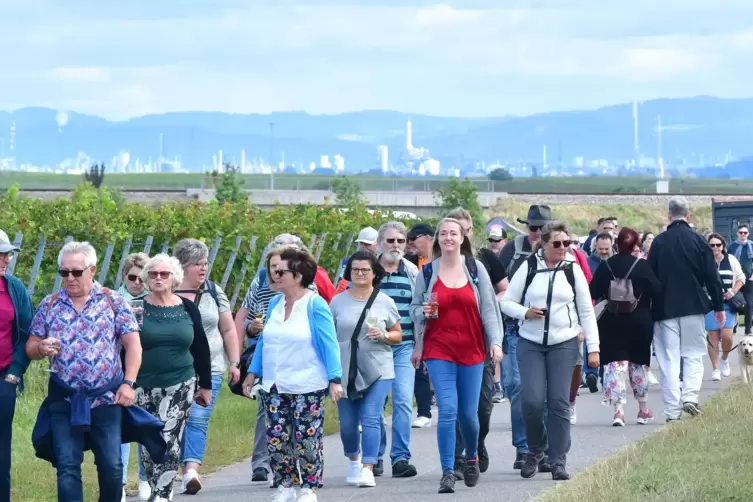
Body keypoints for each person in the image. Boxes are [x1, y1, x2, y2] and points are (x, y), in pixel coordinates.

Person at [26, 241, 143, 502]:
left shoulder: (114, 302)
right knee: (67, 466)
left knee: (112, 466)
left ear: (92, 270)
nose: (69, 278)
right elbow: (31, 346)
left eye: (76, 272)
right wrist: (41, 347)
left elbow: (133, 345)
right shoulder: (50, 304)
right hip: (64, 399)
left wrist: (128, 384)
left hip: (106, 398)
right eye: (64, 272)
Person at [410, 217, 503, 494]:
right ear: (438, 239)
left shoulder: (475, 269)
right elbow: (414, 310)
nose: (449, 238)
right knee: (448, 410)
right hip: (439, 349)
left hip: (472, 349)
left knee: (469, 415)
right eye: (444, 234)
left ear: (463, 239)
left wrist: (495, 342)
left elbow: (488, 308)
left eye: (454, 233)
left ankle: (471, 456)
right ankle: (448, 471)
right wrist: (421, 323)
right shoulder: (427, 273)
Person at [500, 220, 599, 481]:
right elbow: (507, 302)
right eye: (557, 243)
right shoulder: (529, 267)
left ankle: (558, 460)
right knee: (530, 400)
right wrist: (526, 313)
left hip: (564, 343)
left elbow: (586, 310)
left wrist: (593, 348)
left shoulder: (572, 269)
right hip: (530, 342)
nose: (563, 248)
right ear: (543, 245)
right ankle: (536, 449)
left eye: (567, 243)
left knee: (558, 402)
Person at [243, 248, 343, 502]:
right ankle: (285, 485)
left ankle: (308, 487)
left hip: (307, 383)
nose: (275, 274)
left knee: (306, 439)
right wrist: (253, 373)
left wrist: (335, 379)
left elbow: (329, 342)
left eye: (281, 271)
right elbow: (266, 340)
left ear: (298, 275)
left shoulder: (314, 304)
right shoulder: (275, 303)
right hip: (275, 383)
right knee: (277, 439)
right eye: (275, 271)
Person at [233, 234, 319, 485]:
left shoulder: (308, 290)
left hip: (297, 361)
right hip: (267, 354)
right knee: (268, 413)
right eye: (274, 266)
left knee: (295, 416)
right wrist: (251, 330)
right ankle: (262, 463)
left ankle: (296, 470)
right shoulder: (260, 282)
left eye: (285, 265)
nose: (278, 272)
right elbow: (244, 317)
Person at [134, 254, 213, 502]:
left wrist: (206, 385)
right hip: (142, 385)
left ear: (174, 278)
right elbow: (124, 346)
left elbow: (200, 346)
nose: (158, 278)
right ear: (146, 278)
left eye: (164, 274)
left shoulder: (187, 307)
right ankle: (156, 489)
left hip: (181, 383)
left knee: (169, 439)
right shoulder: (136, 307)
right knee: (148, 443)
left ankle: (162, 495)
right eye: (153, 274)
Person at [171, 239, 240, 494]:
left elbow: (228, 328)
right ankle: (170, 467)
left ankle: (191, 471)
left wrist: (234, 362)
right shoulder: (167, 291)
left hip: (210, 366)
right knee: (176, 419)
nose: (203, 269)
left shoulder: (214, 291)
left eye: (205, 263)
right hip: (176, 368)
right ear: (182, 266)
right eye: (197, 264)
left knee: (198, 418)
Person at [647, 196, 725, 421]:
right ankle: (690, 396)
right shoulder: (699, 241)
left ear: (669, 215)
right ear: (688, 215)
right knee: (693, 354)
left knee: (668, 359)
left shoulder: (659, 242)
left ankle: (672, 411)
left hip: (664, 308)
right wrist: (718, 306)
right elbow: (712, 276)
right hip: (693, 305)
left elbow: (650, 277)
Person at [330, 250, 402, 487]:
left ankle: (368, 466)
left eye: (365, 270)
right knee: (348, 424)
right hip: (345, 367)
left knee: (371, 416)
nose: (360, 274)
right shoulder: (337, 301)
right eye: (355, 270)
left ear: (374, 273)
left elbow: (398, 335)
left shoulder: (385, 301)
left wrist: (383, 335)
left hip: (378, 367)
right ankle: (354, 459)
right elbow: (328, 336)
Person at [444, 208, 505, 479]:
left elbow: (501, 290)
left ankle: (476, 443)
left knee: (481, 407)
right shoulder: (436, 266)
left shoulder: (481, 261)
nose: (458, 237)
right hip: (446, 348)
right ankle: (457, 460)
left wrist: (495, 340)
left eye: (463, 231)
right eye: (451, 231)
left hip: (479, 347)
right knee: (452, 405)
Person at [497, 204, 551, 471]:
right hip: (514, 328)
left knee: (545, 392)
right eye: (533, 228)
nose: (537, 233)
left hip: (550, 330)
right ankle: (523, 447)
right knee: (517, 387)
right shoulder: (511, 250)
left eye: (542, 228)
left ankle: (543, 447)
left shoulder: (559, 252)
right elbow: (498, 290)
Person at [589, 228, 661, 426]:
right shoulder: (643, 266)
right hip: (639, 322)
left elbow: (593, 290)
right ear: (635, 245)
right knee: (639, 364)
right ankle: (643, 410)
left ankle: (618, 412)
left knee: (614, 366)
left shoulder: (606, 266)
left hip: (612, 322)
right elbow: (657, 290)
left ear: (616, 244)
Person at [373, 222, 419, 478]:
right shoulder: (366, 271)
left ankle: (400, 457)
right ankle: (376, 454)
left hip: (404, 345)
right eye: (390, 241)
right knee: (376, 404)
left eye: (400, 241)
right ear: (381, 243)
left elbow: (419, 309)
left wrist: (420, 345)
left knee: (402, 401)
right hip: (375, 347)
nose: (396, 246)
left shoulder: (412, 272)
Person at [0, 230, 32, 502]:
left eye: (7, 254)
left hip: (3, 378)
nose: (5, 259)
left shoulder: (14, 288)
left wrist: (14, 373)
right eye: (0, 254)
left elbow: (27, 333)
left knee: (0, 449)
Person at [117, 252, 150, 500]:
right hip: (120, 370)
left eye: (142, 278)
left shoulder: (154, 300)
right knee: (122, 428)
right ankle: (118, 482)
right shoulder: (114, 300)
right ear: (124, 276)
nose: (137, 283)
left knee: (146, 425)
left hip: (148, 370)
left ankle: (145, 479)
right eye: (132, 277)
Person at [406, 222, 436, 429]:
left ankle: (430, 410)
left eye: (412, 241)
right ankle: (424, 410)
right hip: (420, 317)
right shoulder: (412, 261)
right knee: (420, 366)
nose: (410, 246)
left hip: (441, 320)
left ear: (427, 237)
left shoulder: (442, 259)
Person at [705, 233, 745, 381]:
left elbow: (741, 278)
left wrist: (733, 290)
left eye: (718, 245)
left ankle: (724, 358)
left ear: (723, 246)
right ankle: (715, 368)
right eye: (712, 245)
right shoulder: (704, 260)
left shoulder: (731, 260)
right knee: (713, 336)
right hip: (710, 305)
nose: (715, 248)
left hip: (728, 304)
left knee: (727, 336)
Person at [334, 227, 379, 293]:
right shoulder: (348, 262)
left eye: (368, 244)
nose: (364, 246)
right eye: (361, 243)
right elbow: (341, 286)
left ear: (377, 245)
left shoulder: (380, 264)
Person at [727, 223, 753, 335]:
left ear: (748, 233)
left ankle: (748, 329)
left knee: (749, 304)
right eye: (741, 232)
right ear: (737, 233)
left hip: (749, 279)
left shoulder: (751, 245)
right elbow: (727, 261)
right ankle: (733, 326)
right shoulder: (732, 246)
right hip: (736, 279)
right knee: (735, 303)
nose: (743, 234)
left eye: (745, 232)